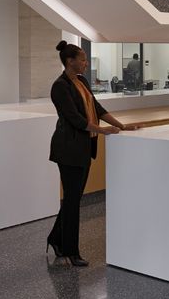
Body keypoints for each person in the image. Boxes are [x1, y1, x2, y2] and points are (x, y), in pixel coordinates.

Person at [47, 41, 140, 267]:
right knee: (72, 200)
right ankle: (70, 251)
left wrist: (121, 125)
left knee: (73, 198)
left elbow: (97, 109)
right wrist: (102, 130)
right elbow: (75, 119)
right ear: (70, 61)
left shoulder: (81, 81)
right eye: (83, 59)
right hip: (68, 149)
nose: (86, 63)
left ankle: (55, 239)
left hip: (83, 147)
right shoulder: (60, 86)